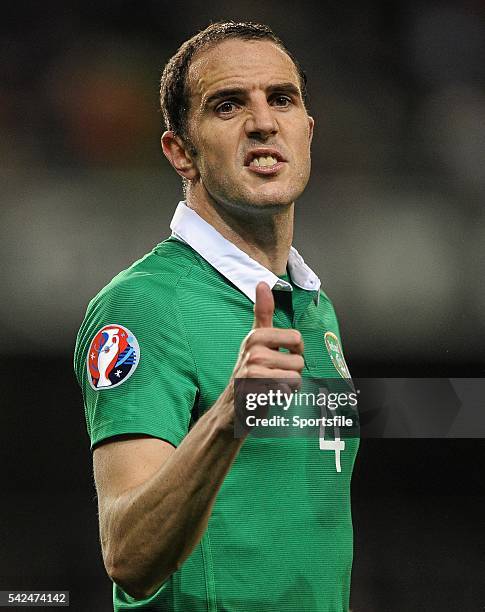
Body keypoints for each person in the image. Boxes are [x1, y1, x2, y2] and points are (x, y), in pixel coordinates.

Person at [74, 21, 359, 612]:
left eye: (281, 99)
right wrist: (229, 413)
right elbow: (127, 556)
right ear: (181, 151)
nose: (262, 122)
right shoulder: (144, 305)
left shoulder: (313, 308)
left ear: (307, 131)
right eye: (227, 106)